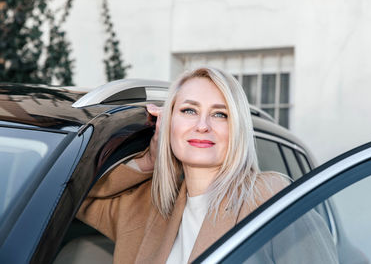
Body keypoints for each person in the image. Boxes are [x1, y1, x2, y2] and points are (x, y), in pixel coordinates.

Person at [76, 67, 334, 264]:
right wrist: (150, 160)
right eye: (189, 111)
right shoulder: (147, 206)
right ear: (168, 124)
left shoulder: (268, 196)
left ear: (237, 130)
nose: (202, 125)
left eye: (220, 114)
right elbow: (71, 193)